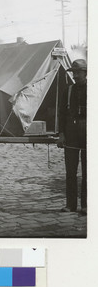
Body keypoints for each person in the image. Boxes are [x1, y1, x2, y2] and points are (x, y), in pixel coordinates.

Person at [57, 59, 87, 214]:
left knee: (89, 171)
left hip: (89, 133)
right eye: (73, 73)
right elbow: (61, 115)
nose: (75, 76)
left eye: (78, 72)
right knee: (70, 171)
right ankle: (71, 204)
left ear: (85, 73)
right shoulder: (67, 91)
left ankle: (86, 205)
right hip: (71, 133)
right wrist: (61, 134)